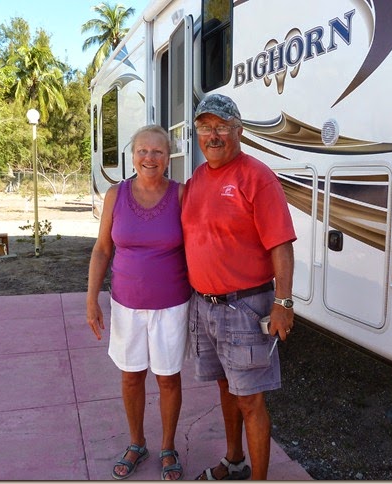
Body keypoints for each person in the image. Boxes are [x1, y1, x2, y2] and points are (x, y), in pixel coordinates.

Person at [181, 94, 297, 480]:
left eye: (221, 127)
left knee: (250, 400)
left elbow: (281, 244)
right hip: (205, 307)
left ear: (239, 131)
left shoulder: (256, 177)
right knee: (226, 389)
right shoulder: (197, 179)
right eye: (205, 127)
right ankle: (234, 461)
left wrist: (283, 302)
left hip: (244, 308)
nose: (212, 135)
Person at [87, 125, 191, 481]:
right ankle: (137, 442)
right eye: (142, 151)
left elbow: (198, 245)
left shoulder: (180, 195)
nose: (150, 158)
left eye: (157, 152)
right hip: (126, 305)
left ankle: (168, 446)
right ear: (132, 156)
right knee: (131, 376)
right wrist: (91, 299)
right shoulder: (115, 195)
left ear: (168, 157)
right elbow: (102, 249)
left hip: (172, 305)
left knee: (168, 379)